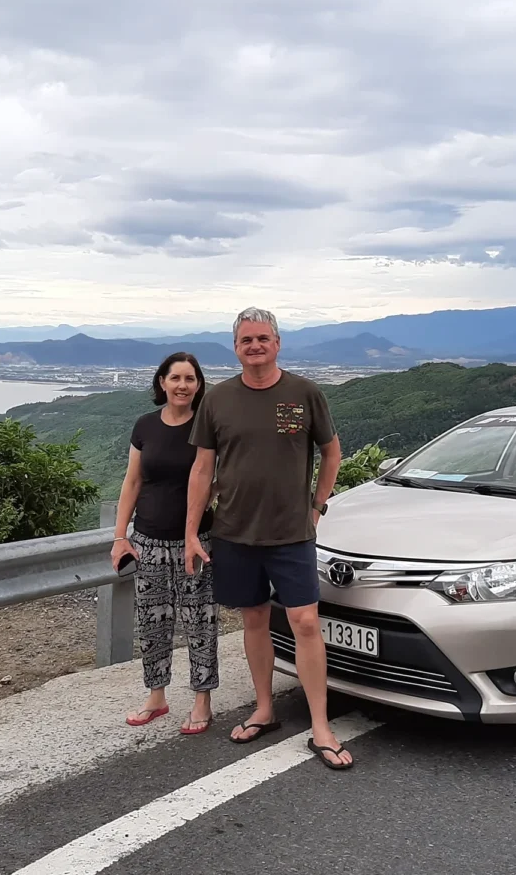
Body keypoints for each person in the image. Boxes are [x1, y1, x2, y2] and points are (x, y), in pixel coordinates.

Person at [183, 307, 352, 770]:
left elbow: (331, 452)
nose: (254, 346)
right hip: (234, 532)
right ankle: (265, 708)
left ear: (277, 343)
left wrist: (316, 505)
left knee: (305, 624)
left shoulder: (304, 392)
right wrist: (192, 532)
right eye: (245, 340)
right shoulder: (218, 399)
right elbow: (202, 469)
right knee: (254, 620)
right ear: (235, 348)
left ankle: (320, 725)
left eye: (262, 338)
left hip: (291, 533)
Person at [112, 351, 219, 736]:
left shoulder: (207, 428)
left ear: (199, 385)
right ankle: (156, 696)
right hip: (147, 540)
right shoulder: (145, 426)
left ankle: (202, 701)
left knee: (199, 622)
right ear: (162, 382)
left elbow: (216, 477)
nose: (182, 386)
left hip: (196, 541)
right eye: (175, 378)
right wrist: (120, 536)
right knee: (152, 623)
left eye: (190, 379)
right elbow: (132, 481)